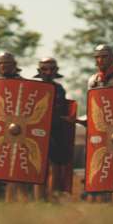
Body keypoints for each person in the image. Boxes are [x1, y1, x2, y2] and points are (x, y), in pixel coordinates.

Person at [0, 52, 31, 202]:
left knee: (19, 168)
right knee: (6, 168)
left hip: (21, 130)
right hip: (4, 130)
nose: (3, 66)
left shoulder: (24, 84)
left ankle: (24, 199)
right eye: (0, 63)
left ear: (14, 65)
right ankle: (9, 200)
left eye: (6, 63)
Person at [33, 57, 73, 201]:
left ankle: (52, 198)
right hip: (36, 132)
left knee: (55, 167)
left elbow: (62, 110)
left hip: (56, 132)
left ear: (56, 71)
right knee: (37, 168)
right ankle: (39, 199)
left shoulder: (59, 89)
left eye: (51, 69)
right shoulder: (33, 88)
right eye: (45, 69)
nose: (48, 72)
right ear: (39, 71)